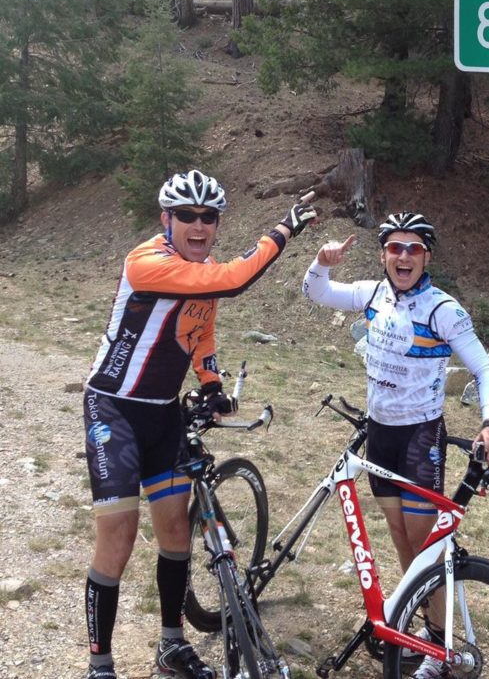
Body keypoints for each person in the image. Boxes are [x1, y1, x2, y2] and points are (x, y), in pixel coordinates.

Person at [82, 170, 316, 679]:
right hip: (115, 410)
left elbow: (202, 328)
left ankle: (171, 645)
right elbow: (232, 281)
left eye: (207, 217)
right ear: (165, 219)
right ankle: (99, 665)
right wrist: (282, 231)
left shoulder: (201, 268)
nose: (197, 225)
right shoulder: (146, 262)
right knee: (118, 541)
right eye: (186, 215)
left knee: (174, 534)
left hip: (163, 410)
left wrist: (210, 383)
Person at [302, 211, 489, 679]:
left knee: (424, 546)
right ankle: (419, 627)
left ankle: (438, 651)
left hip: (419, 437)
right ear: (384, 255)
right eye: (396, 247)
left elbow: (485, 370)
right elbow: (317, 292)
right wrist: (321, 262)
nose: (404, 256)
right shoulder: (373, 295)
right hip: (380, 433)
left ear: (427, 255)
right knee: (400, 539)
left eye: (414, 248)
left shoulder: (443, 309)